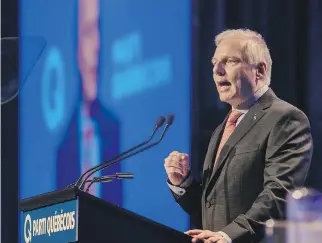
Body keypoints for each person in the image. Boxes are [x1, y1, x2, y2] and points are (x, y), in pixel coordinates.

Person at [164, 29, 313, 243]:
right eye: (214, 62)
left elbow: (280, 194)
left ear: (259, 71)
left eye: (230, 61)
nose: (217, 70)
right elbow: (212, 207)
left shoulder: (285, 117)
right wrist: (183, 184)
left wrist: (228, 235)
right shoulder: (223, 128)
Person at [56, 0, 122, 205]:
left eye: (97, 32)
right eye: (87, 33)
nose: (96, 46)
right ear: (76, 45)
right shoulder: (63, 144)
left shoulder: (113, 127)